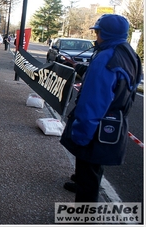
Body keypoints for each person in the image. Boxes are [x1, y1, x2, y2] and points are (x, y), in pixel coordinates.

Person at [60, 14, 142, 202]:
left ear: (104, 33)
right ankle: (81, 184)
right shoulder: (130, 54)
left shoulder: (105, 57)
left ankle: (83, 219)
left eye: (97, 32)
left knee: (88, 172)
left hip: (95, 128)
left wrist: (80, 135)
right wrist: (79, 68)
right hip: (114, 124)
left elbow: (93, 102)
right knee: (94, 168)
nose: (96, 36)